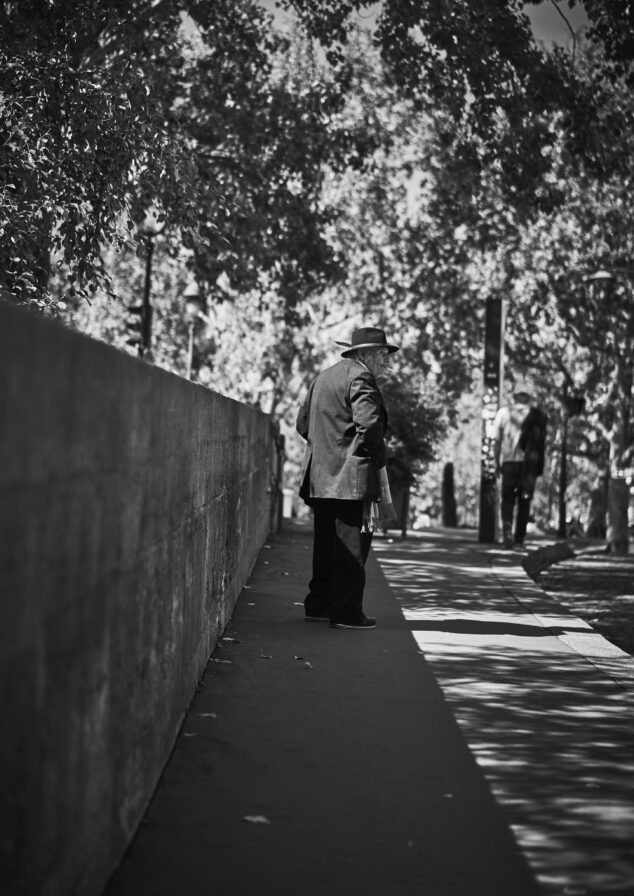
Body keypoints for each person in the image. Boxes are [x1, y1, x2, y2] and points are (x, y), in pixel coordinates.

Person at [295, 326, 398, 629]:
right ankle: (346, 613)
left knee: (326, 545)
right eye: (383, 355)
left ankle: (319, 604)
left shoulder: (322, 377)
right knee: (352, 548)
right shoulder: (361, 377)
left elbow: (302, 425)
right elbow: (369, 428)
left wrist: (328, 452)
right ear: (365, 354)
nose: (387, 362)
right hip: (350, 479)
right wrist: (372, 461)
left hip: (321, 477)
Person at [493, 384, 547, 549]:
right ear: (529, 397)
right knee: (524, 502)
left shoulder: (503, 413)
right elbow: (542, 443)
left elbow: (497, 440)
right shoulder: (537, 415)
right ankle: (519, 541)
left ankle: (507, 533)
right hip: (529, 465)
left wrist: (496, 462)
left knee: (507, 499)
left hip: (509, 462)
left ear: (514, 396)